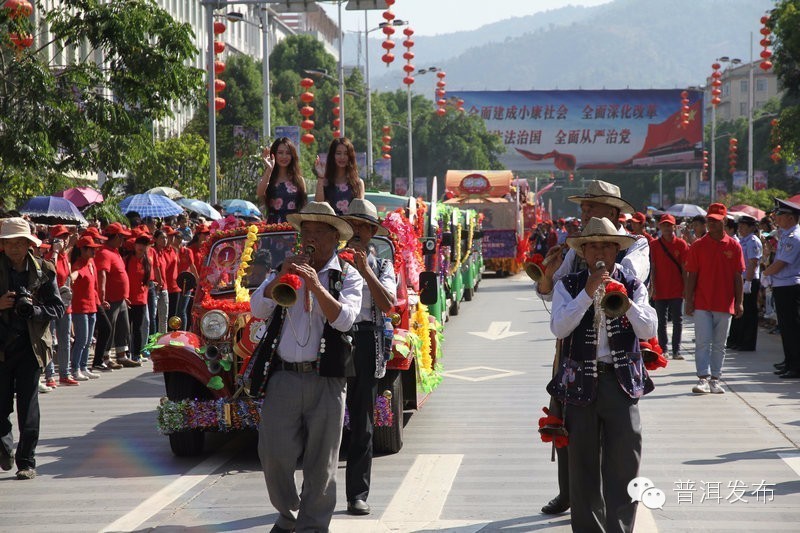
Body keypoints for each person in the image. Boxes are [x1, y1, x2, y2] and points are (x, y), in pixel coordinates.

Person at [534, 180, 649, 516]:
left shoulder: (637, 246)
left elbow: (632, 276)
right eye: (583, 208)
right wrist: (549, 276)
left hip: (619, 366)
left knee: (625, 455)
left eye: (591, 207)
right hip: (574, 357)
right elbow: (556, 293)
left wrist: (608, 274)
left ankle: (616, 519)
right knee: (568, 429)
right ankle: (569, 493)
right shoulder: (576, 248)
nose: (583, 212)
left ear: (613, 213)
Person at [249, 201, 362, 533]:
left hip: (327, 380)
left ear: (334, 238)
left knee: (322, 465)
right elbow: (257, 308)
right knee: (273, 455)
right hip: (284, 376)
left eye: (317, 232)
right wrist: (281, 277)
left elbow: (344, 321)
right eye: (305, 232)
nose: (309, 239)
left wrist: (316, 285)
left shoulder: (348, 275)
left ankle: (313, 527)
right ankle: (287, 515)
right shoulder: (288, 268)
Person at [340, 199, 397, 516]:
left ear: (373, 231)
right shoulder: (332, 261)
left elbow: (388, 304)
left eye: (362, 226)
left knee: (362, 423)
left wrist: (364, 270)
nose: (356, 232)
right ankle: (313, 493)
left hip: (364, 341)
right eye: (351, 225)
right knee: (324, 419)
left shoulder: (382, 265)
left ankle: (357, 494)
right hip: (335, 339)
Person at [0, 217, 65, 480]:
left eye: (20, 243)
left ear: (29, 244)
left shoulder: (44, 270)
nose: (15, 248)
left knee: (29, 407)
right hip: (2, 347)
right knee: (1, 405)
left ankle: (26, 462)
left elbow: (58, 308)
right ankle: (5, 448)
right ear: (3, 245)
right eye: (9, 243)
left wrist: (34, 311)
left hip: (31, 347)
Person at [684, 203, 744, 394]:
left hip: (725, 303)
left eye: (716, 221)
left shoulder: (734, 246)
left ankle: (715, 379)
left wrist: (740, 302)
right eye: (709, 220)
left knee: (720, 344)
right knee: (702, 341)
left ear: (724, 221)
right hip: (703, 302)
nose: (711, 224)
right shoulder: (698, 246)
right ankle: (703, 378)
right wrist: (689, 300)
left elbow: (738, 276)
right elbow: (691, 275)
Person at [763, 198, 800, 378]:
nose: (776, 217)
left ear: (791, 218)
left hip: (790, 286)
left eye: (780, 214)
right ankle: (790, 361)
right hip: (782, 285)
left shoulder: (794, 237)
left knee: (792, 328)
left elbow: (781, 264)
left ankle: (796, 365)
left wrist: (765, 273)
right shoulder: (785, 234)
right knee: (786, 327)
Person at [92, 223, 133, 372]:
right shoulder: (104, 252)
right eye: (121, 237)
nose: (123, 240)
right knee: (109, 328)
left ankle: (122, 355)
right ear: (115, 236)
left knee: (123, 327)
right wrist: (102, 297)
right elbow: (102, 275)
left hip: (121, 298)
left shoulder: (115, 251)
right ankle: (105, 357)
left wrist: (125, 296)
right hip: (111, 298)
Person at [649, 214, 690, 359]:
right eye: (664, 225)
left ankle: (676, 350)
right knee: (661, 320)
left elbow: (685, 269)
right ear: (660, 227)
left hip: (677, 289)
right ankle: (663, 349)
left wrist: (686, 287)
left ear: (674, 227)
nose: (667, 228)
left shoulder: (681, 244)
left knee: (678, 320)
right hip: (660, 289)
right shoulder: (654, 245)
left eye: (669, 225)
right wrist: (652, 287)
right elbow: (652, 268)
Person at [68, 236, 103, 382]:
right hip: (80, 307)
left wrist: (98, 303)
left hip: (92, 306)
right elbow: (74, 275)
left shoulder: (91, 262)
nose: (95, 251)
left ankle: (83, 367)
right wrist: (72, 276)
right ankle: (75, 369)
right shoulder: (79, 264)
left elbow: (94, 286)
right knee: (81, 340)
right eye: (92, 248)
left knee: (88, 340)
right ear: (83, 250)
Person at [727, 215, 762, 352]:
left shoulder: (753, 241)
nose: (740, 228)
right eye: (739, 226)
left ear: (751, 227)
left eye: (743, 226)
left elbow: (753, 263)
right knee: (739, 312)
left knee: (749, 313)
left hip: (750, 280)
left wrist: (748, 282)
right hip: (742, 279)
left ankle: (747, 342)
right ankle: (738, 339)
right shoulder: (743, 240)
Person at [257, 137, 308, 224]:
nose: (284, 156)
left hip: (294, 227)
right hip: (273, 228)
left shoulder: (299, 180)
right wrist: (269, 169)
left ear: (292, 156)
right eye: (280, 153)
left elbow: (304, 206)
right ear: (274, 155)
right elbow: (260, 193)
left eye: (288, 153)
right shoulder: (268, 178)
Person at [314, 137, 365, 215]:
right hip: (329, 225)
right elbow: (318, 206)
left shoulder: (358, 183)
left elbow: (360, 211)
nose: (342, 157)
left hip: (350, 225)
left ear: (350, 156)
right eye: (338, 153)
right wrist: (321, 177)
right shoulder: (324, 182)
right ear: (332, 156)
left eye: (346, 153)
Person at [125, 230, 153, 363]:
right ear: (135, 245)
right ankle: (125, 353)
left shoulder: (148, 262)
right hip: (128, 299)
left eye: (145, 244)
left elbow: (147, 282)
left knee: (137, 328)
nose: (142, 246)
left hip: (141, 300)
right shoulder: (128, 259)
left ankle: (136, 354)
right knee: (126, 328)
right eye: (140, 243)